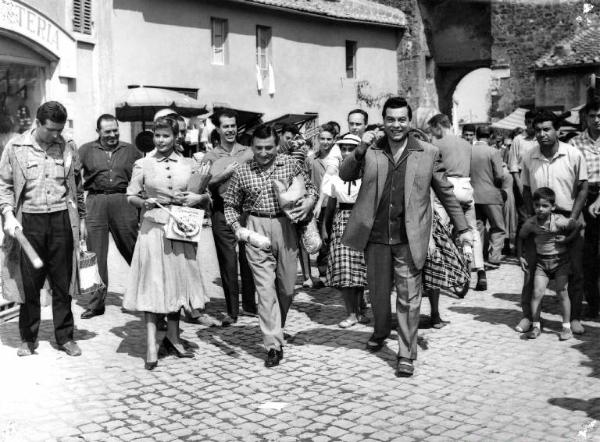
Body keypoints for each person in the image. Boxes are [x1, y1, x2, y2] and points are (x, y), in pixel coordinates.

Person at [340, 97, 471, 377]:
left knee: (409, 296)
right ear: (383, 121)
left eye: (401, 119)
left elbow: (446, 192)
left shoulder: (428, 152)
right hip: (375, 235)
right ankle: (380, 330)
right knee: (376, 292)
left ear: (409, 122)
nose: (396, 125)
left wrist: (464, 229)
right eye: (390, 119)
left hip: (409, 237)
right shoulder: (372, 149)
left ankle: (405, 352)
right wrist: (361, 146)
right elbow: (345, 173)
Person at [224, 124, 317, 367]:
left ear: (277, 146)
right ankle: (273, 345)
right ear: (251, 147)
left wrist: (308, 204)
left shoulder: (290, 163)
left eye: (268, 148)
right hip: (256, 227)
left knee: (286, 289)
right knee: (265, 291)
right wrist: (238, 228)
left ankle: (277, 326)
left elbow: (312, 190)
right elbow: (230, 204)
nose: (264, 153)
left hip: (286, 226)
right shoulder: (243, 171)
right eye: (258, 148)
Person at [123, 116, 211, 370]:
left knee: (177, 283)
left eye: (166, 136)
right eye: (157, 136)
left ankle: (173, 337)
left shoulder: (189, 163)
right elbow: (130, 195)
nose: (161, 141)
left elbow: (205, 196)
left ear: (176, 137)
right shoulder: (143, 163)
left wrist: (198, 197)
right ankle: (151, 343)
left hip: (181, 228)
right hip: (153, 229)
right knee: (153, 283)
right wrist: (143, 202)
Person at [0, 101, 86, 357]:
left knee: (63, 282)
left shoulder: (68, 146)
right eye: (51, 130)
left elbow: (77, 187)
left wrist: (80, 221)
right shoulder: (15, 147)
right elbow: (4, 184)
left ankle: (65, 337)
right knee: (28, 284)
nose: (56, 135)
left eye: (60, 129)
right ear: (37, 124)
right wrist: (6, 214)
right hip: (29, 222)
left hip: (61, 220)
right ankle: (28, 338)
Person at [518, 110, 588, 335]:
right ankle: (528, 316)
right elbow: (527, 189)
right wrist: (532, 218)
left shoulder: (573, 154)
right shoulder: (529, 155)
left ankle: (574, 317)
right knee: (531, 270)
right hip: (538, 220)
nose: (541, 134)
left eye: (546, 129)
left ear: (557, 131)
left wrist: (573, 219)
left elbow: (583, 187)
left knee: (575, 271)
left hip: (568, 217)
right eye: (537, 130)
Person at [78, 114, 142, 319]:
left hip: (123, 200)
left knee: (134, 249)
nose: (113, 134)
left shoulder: (131, 151)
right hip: (95, 202)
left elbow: (142, 179)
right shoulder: (85, 150)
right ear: (98, 132)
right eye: (107, 131)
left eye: (115, 130)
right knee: (92, 255)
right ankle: (95, 303)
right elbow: (73, 177)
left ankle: (148, 293)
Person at [204, 108, 256, 325]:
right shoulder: (210, 156)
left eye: (233, 126)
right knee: (228, 261)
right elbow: (202, 184)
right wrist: (222, 175)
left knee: (249, 258)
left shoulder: (248, 152)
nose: (230, 130)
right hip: (222, 210)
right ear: (218, 129)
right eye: (226, 126)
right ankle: (232, 311)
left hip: (246, 210)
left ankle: (251, 306)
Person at [428, 113, 481, 297]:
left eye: (432, 130)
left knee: (437, 230)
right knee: (472, 229)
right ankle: (479, 269)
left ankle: (437, 272)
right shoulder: (467, 144)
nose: (432, 134)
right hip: (466, 187)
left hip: (447, 188)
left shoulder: (437, 144)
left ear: (437, 127)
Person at [518, 187, 580, 341]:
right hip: (541, 263)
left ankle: (566, 328)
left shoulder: (559, 220)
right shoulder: (531, 223)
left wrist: (566, 239)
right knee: (537, 293)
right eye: (537, 205)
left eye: (545, 206)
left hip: (560, 262)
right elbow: (521, 236)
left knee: (562, 292)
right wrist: (520, 256)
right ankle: (536, 326)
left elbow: (577, 226)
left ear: (553, 207)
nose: (540, 209)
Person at [320, 134, 368, 328]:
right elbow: (331, 206)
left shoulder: (368, 174)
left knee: (359, 270)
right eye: (344, 148)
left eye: (351, 148)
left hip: (363, 222)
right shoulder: (335, 175)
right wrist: (324, 227)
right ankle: (350, 313)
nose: (347, 152)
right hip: (341, 223)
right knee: (344, 270)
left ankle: (359, 311)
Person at [570, 100, 600, 318]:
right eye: (592, 116)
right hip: (585, 196)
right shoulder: (575, 143)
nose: (597, 120)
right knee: (587, 252)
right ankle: (593, 302)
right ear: (586, 118)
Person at [470, 126, 506, 289]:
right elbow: (499, 175)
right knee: (498, 227)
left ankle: (477, 259)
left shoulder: (469, 150)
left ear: (477, 135)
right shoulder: (493, 152)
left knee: (477, 228)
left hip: (473, 194)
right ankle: (494, 258)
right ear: (490, 136)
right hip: (491, 194)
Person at [308, 123, 337, 280]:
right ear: (318, 139)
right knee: (323, 238)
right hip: (319, 206)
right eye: (322, 138)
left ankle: (336, 272)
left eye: (329, 139)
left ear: (334, 140)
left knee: (336, 238)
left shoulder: (338, 158)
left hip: (336, 203)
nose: (325, 142)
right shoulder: (312, 159)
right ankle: (323, 272)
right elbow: (306, 180)